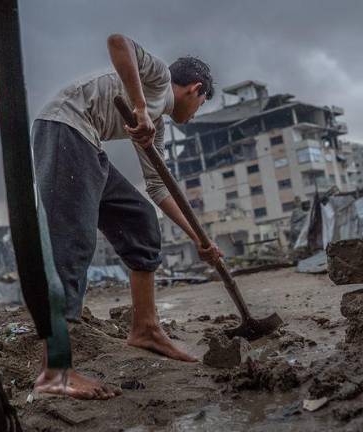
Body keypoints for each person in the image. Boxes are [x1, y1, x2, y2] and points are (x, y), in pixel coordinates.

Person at [30, 34, 223, 399]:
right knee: (72, 242)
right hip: (63, 128)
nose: (194, 115)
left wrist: (200, 239)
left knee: (140, 220)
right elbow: (119, 43)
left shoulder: (158, 127)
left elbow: (159, 188)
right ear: (195, 90)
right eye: (200, 106)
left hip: (88, 143)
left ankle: (146, 329)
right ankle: (55, 371)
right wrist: (138, 107)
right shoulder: (158, 79)